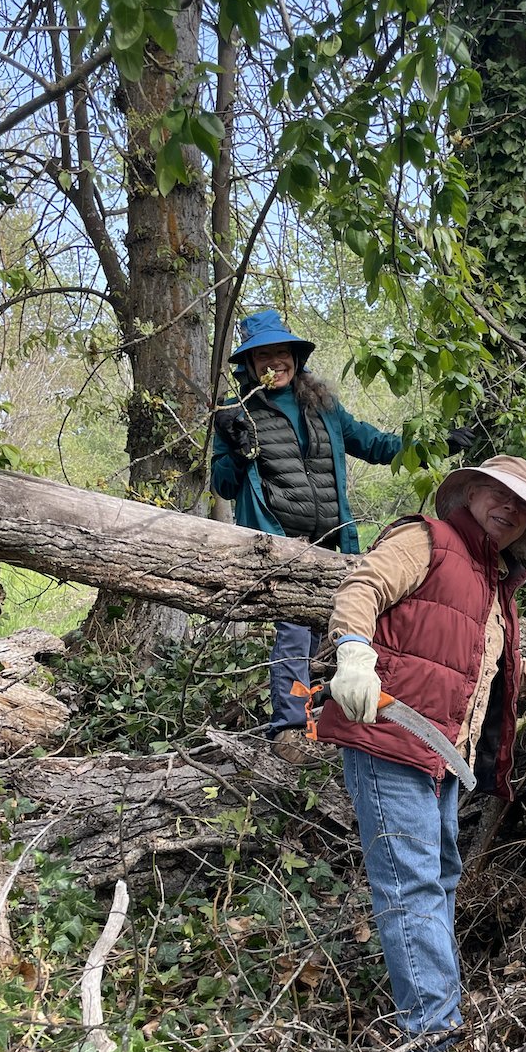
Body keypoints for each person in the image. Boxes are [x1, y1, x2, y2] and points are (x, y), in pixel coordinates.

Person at [316, 455, 526, 1052]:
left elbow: (479, 674)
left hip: (443, 757)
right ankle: (436, 1039)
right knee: (414, 885)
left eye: (523, 507)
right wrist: (352, 653)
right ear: (470, 492)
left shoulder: (492, 582)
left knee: (438, 882)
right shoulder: (427, 539)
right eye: (498, 495)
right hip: (391, 739)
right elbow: (361, 588)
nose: (509, 510)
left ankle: (431, 1019)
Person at [211, 308, 404, 766]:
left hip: (334, 542)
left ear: (295, 357)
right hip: (279, 544)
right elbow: (222, 484)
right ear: (249, 364)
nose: (272, 363)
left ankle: (352, 720)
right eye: (262, 357)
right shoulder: (237, 415)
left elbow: (374, 445)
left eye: (280, 353)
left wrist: (429, 445)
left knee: (351, 627)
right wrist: (236, 451)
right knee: (295, 633)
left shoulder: (324, 407)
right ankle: (290, 730)